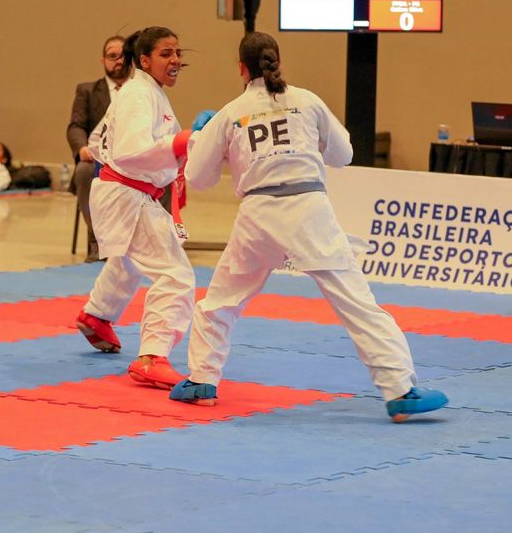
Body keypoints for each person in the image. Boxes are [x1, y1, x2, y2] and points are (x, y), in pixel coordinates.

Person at [169, 32, 448, 423]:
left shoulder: (230, 113)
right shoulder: (307, 100)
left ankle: (201, 382)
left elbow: (198, 178)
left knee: (221, 301)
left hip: (259, 215)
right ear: (277, 60)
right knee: (355, 301)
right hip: (308, 210)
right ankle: (400, 390)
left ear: (241, 69)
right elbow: (345, 154)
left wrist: (202, 139)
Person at [72, 27, 196, 391]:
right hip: (126, 191)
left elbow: (101, 143)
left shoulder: (141, 91)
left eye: (178, 53)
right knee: (176, 274)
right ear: (145, 60)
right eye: (165, 53)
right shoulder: (140, 94)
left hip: (122, 189)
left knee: (128, 260)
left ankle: (97, 315)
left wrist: (176, 147)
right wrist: (178, 142)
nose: (175, 60)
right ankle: (152, 357)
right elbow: (130, 150)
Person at [68, 35, 130, 262]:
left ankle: (157, 241)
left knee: (166, 173)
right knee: (83, 171)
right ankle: (97, 240)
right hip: (99, 159)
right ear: (103, 60)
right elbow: (75, 126)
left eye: (123, 56)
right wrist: (82, 148)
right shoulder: (87, 91)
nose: (118, 61)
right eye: (113, 56)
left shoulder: (141, 90)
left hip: (133, 159)